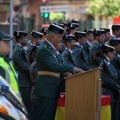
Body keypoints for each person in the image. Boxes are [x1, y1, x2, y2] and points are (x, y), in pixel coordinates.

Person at [30, 24, 84, 120]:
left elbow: (57, 66)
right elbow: (53, 66)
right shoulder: (44, 49)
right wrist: (72, 68)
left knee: (50, 116)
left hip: (52, 89)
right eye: (59, 37)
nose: (61, 39)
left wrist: (65, 73)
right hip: (46, 89)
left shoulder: (51, 49)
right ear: (52, 36)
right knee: (45, 116)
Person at [97, 44, 120, 120]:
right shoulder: (103, 66)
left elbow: (115, 77)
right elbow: (108, 81)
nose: (113, 55)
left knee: (115, 116)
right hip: (108, 94)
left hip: (114, 94)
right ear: (105, 54)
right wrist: (118, 88)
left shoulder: (110, 64)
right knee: (109, 116)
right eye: (111, 53)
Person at [12, 31, 32, 114]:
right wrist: (33, 75)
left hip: (26, 80)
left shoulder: (20, 49)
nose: (27, 40)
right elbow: (25, 67)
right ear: (20, 40)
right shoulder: (18, 51)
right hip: (23, 82)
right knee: (26, 105)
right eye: (25, 38)